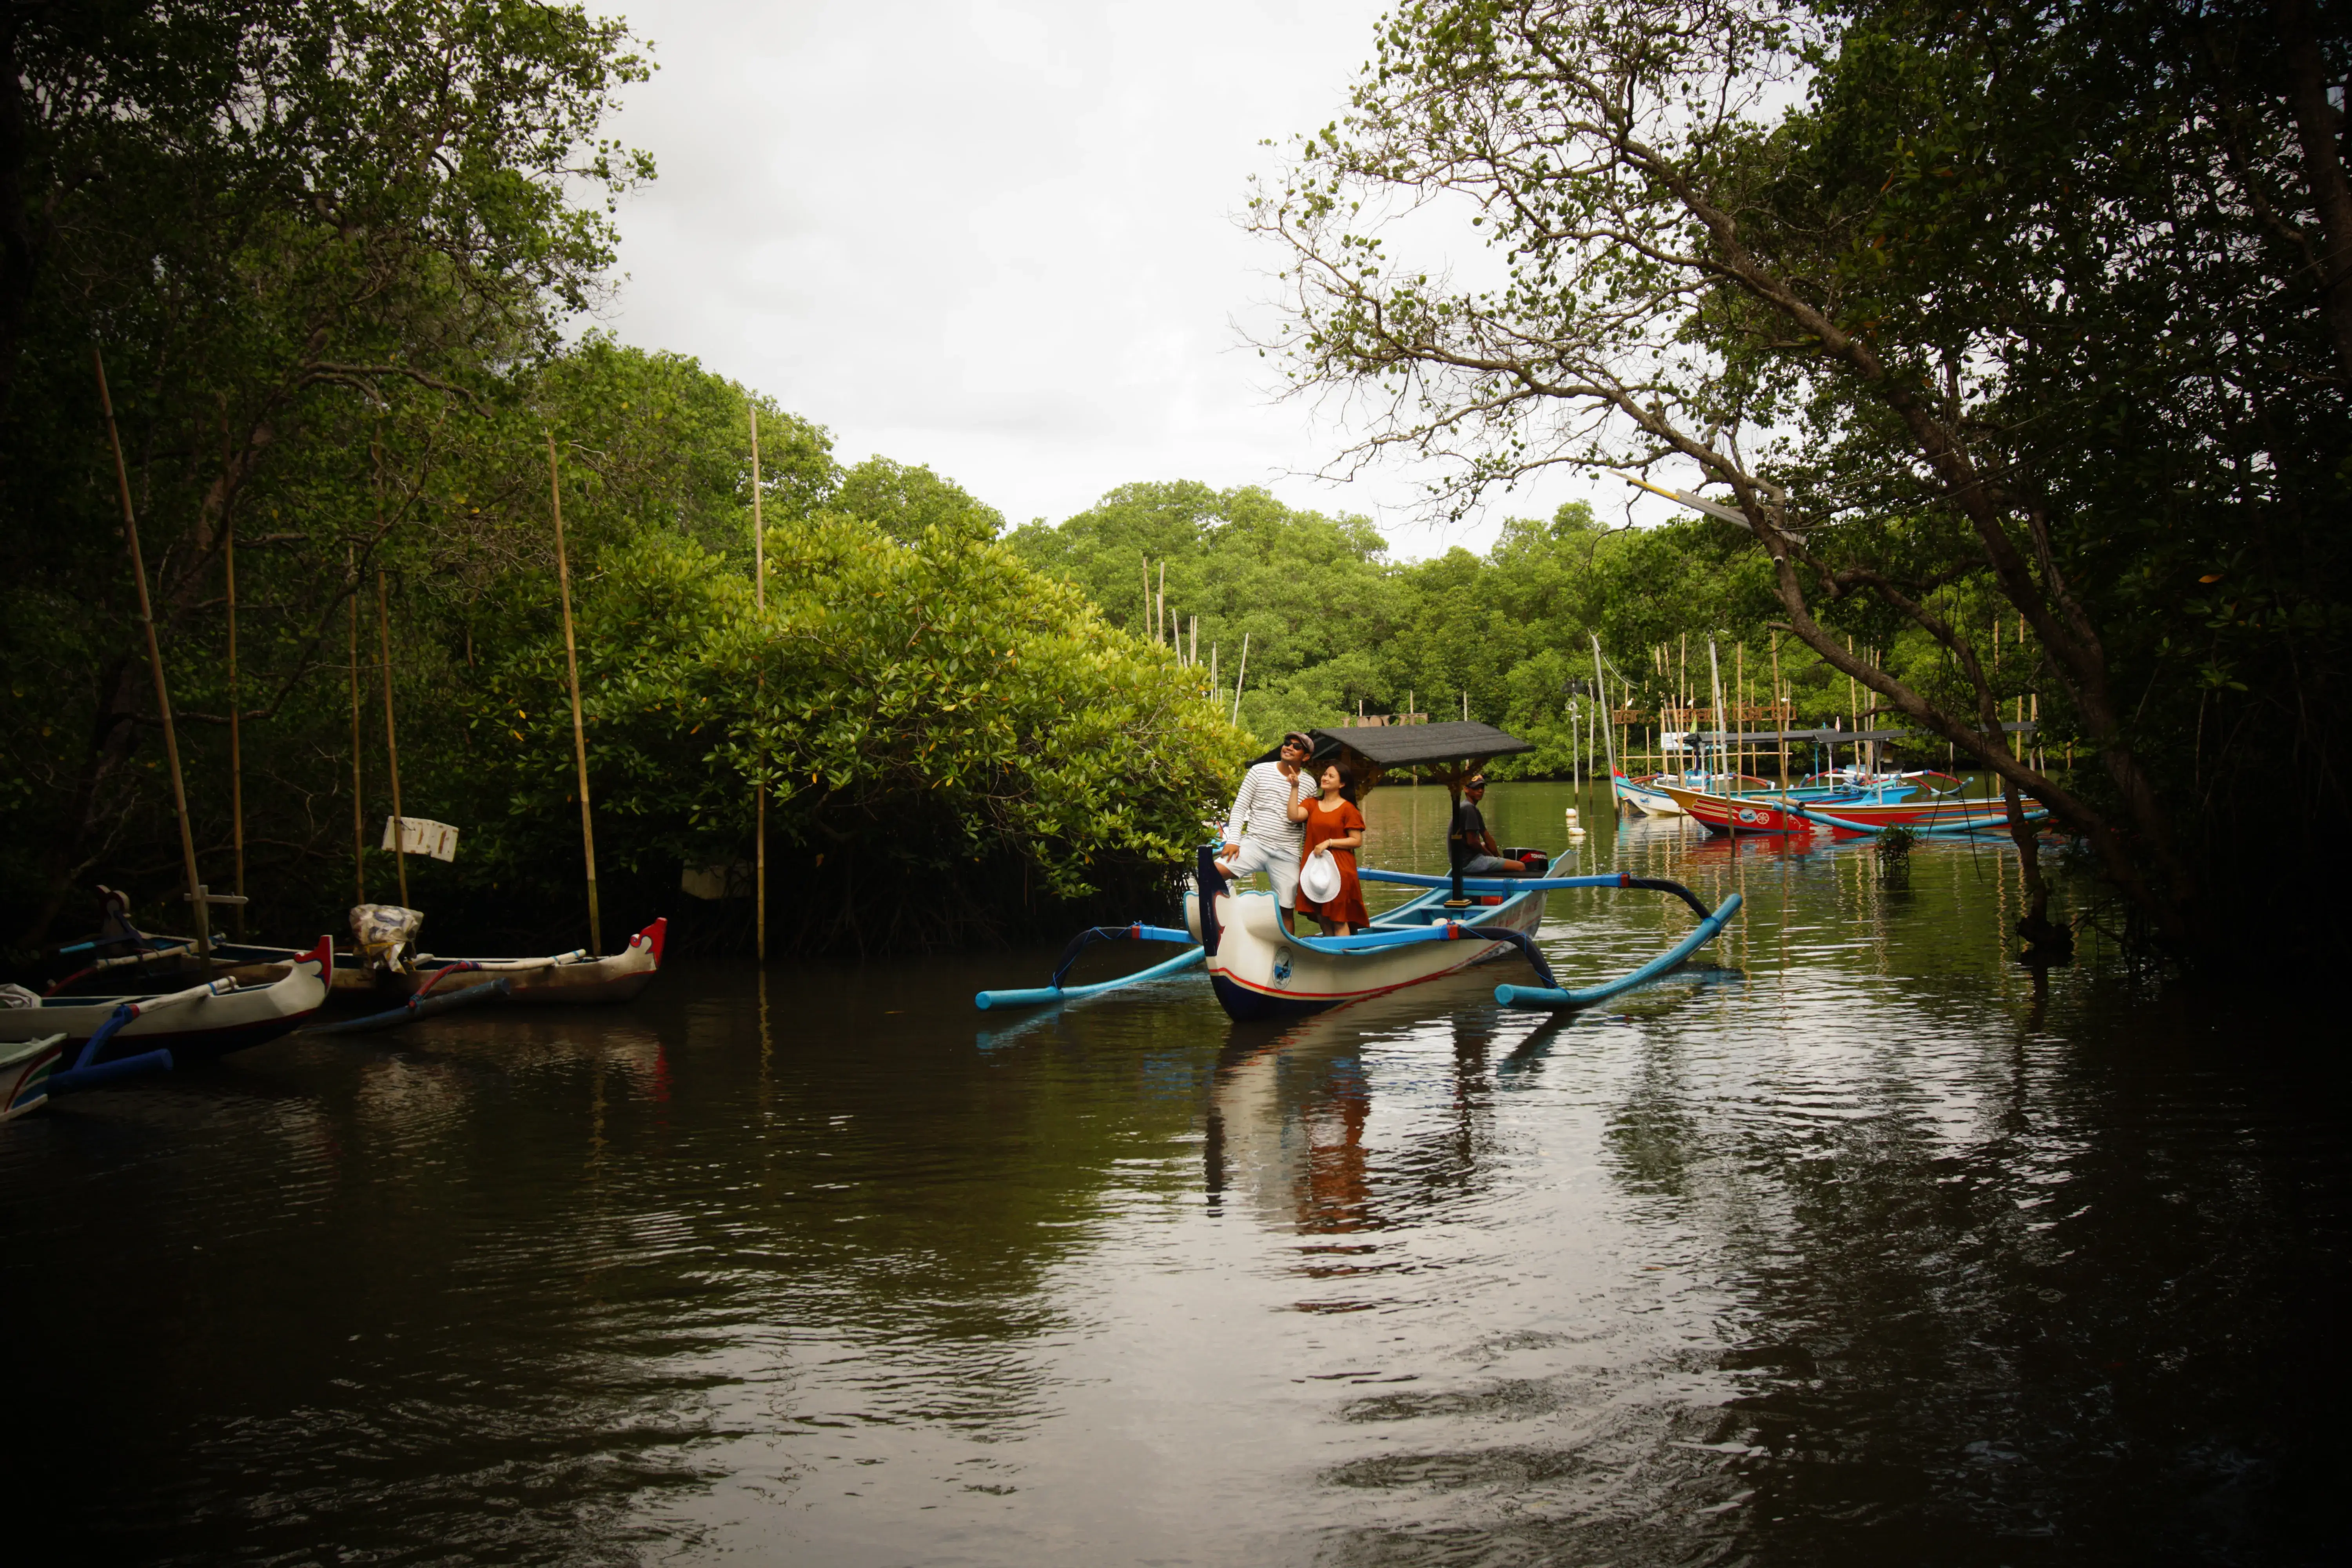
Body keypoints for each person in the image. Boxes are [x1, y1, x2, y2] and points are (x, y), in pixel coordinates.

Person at [1218, 731, 1315, 931]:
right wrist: (1233, 840)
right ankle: (1224, 922)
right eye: (1287, 743)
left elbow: (1307, 826)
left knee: (1286, 910)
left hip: (1287, 852)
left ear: (1305, 757)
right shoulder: (1258, 771)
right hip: (1254, 843)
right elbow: (1240, 807)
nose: (1289, 747)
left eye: (1297, 747)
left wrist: (1305, 859)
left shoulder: (1310, 784)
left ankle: (1287, 954)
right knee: (1213, 873)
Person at [1291, 760, 1370, 935]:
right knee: (1323, 919)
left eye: (1331, 776)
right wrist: (1295, 787)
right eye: (1325, 774)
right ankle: (1331, 959)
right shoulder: (1312, 804)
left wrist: (1330, 842)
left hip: (1340, 870)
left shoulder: (1348, 809)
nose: (1325, 778)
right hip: (1315, 868)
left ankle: (1345, 958)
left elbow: (1356, 841)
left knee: (1339, 919)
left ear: (1342, 784)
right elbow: (1294, 815)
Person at [1448, 775, 1526, 876]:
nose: (1480, 791)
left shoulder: (1470, 807)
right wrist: (1490, 856)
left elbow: (1487, 838)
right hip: (1467, 863)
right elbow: (1472, 842)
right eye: (1476, 788)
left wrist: (1499, 858)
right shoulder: (1469, 809)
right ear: (1466, 789)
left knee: (1486, 846)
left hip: (1462, 860)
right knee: (1521, 866)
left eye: (1482, 787)